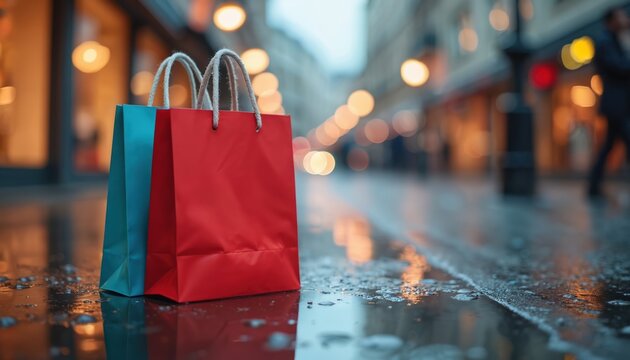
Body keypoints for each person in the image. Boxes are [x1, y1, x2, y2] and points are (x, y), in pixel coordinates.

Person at [587, 6, 630, 197]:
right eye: (621, 15)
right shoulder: (604, 41)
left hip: (619, 104)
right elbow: (619, 67)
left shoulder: (614, 39)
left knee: (608, 146)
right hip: (616, 104)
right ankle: (593, 186)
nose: (625, 18)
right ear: (612, 20)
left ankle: (593, 186)